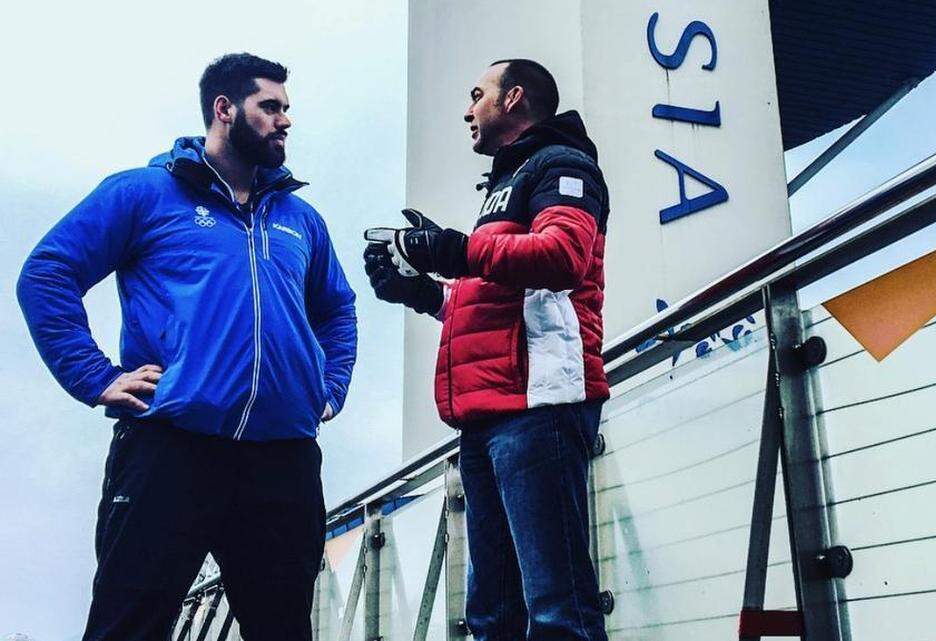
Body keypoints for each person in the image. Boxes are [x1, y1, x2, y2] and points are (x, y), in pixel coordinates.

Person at [17, 53, 357, 641]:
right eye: (269, 107)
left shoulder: (301, 219)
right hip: (169, 448)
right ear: (224, 110)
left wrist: (328, 388)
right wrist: (93, 376)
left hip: (283, 460)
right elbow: (47, 274)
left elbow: (338, 310)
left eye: (287, 109)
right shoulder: (144, 194)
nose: (285, 121)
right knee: (128, 626)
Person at [364, 59, 609, 641]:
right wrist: (419, 290)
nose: (468, 109)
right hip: (487, 415)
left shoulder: (562, 165)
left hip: (539, 408)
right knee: (492, 613)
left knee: (557, 609)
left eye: (479, 95)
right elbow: (498, 301)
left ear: (514, 99)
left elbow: (563, 257)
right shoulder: (504, 185)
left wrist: (452, 250)